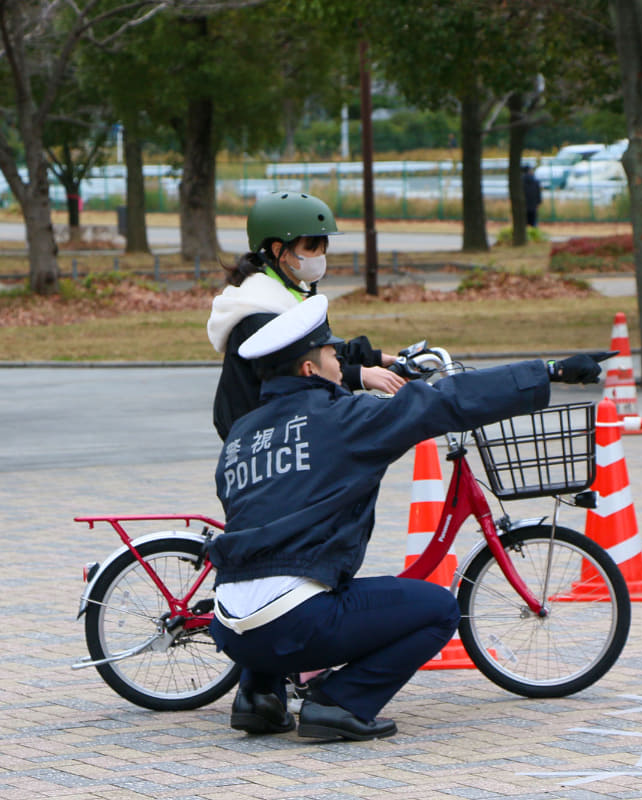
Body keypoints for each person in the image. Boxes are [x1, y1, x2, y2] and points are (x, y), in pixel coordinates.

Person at [208, 295, 604, 741]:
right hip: (295, 624)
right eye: (332, 355)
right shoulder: (342, 419)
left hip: (231, 628)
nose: (341, 363)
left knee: (280, 582)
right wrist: (548, 371)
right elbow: (445, 400)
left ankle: (258, 697)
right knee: (438, 609)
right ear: (309, 368)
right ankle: (338, 703)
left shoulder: (242, 435)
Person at [206, 190, 405, 440]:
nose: (320, 258)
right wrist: (360, 375)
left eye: (323, 249)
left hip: (284, 426)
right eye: (312, 249)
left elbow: (319, 348)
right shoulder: (261, 311)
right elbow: (298, 372)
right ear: (280, 250)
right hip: (262, 437)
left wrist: (376, 358)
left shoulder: (290, 293)